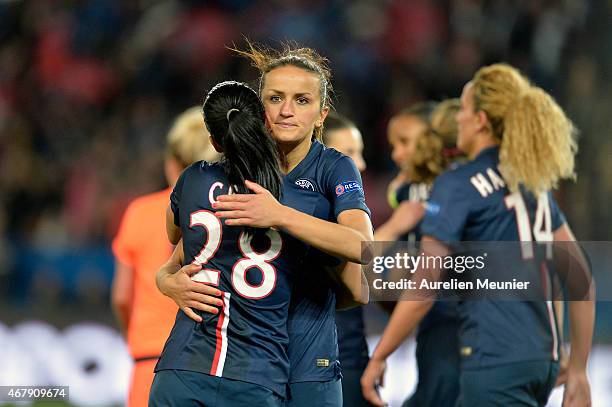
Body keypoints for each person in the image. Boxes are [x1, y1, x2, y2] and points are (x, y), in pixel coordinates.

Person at [362, 63, 594, 407]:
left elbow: (425, 285)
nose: (458, 117)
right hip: (540, 361)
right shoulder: (533, 183)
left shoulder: (458, 185)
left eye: (465, 108)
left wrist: (380, 355)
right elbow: (579, 274)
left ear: (481, 120)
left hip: (493, 359)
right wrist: (577, 368)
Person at [156, 42, 374, 407]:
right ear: (259, 108)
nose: (287, 111)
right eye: (275, 99)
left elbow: (363, 251)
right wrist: (166, 281)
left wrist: (281, 217)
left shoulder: (334, 168)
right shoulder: (235, 172)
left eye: (302, 100)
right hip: (240, 363)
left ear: (322, 114)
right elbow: (180, 258)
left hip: (307, 362)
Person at [150, 80, 307, 407]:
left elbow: (173, 236)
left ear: (214, 141)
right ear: (264, 124)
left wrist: (165, 278)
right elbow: (357, 258)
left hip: (183, 369)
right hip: (256, 374)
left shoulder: (192, 179)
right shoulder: (298, 195)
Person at [110, 106, 219, 407]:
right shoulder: (231, 211)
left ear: (172, 164)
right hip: (214, 361)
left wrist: (136, 332)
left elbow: (121, 295)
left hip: (151, 362)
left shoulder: (140, 212)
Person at [321, 111, 371, 407]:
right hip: (324, 358)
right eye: (350, 153)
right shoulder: (316, 212)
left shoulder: (352, 212)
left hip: (353, 353)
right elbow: (359, 287)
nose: (360, 164)